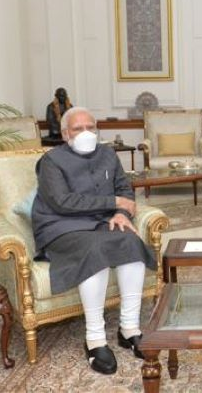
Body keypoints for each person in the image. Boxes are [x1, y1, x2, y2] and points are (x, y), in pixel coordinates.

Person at [31, 106, 156, 375]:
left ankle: (129, 329)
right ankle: (95, 339)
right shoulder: (51, 161)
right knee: (95, 249)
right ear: (65, 134)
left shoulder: (108, 154)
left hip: (101, 222)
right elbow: (62, 202)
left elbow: (124, 191)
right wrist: (113, 203)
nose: (86, 133)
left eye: (90, 127)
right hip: (61, 226)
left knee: (131, 242)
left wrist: (122, 214)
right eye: (78, 129)